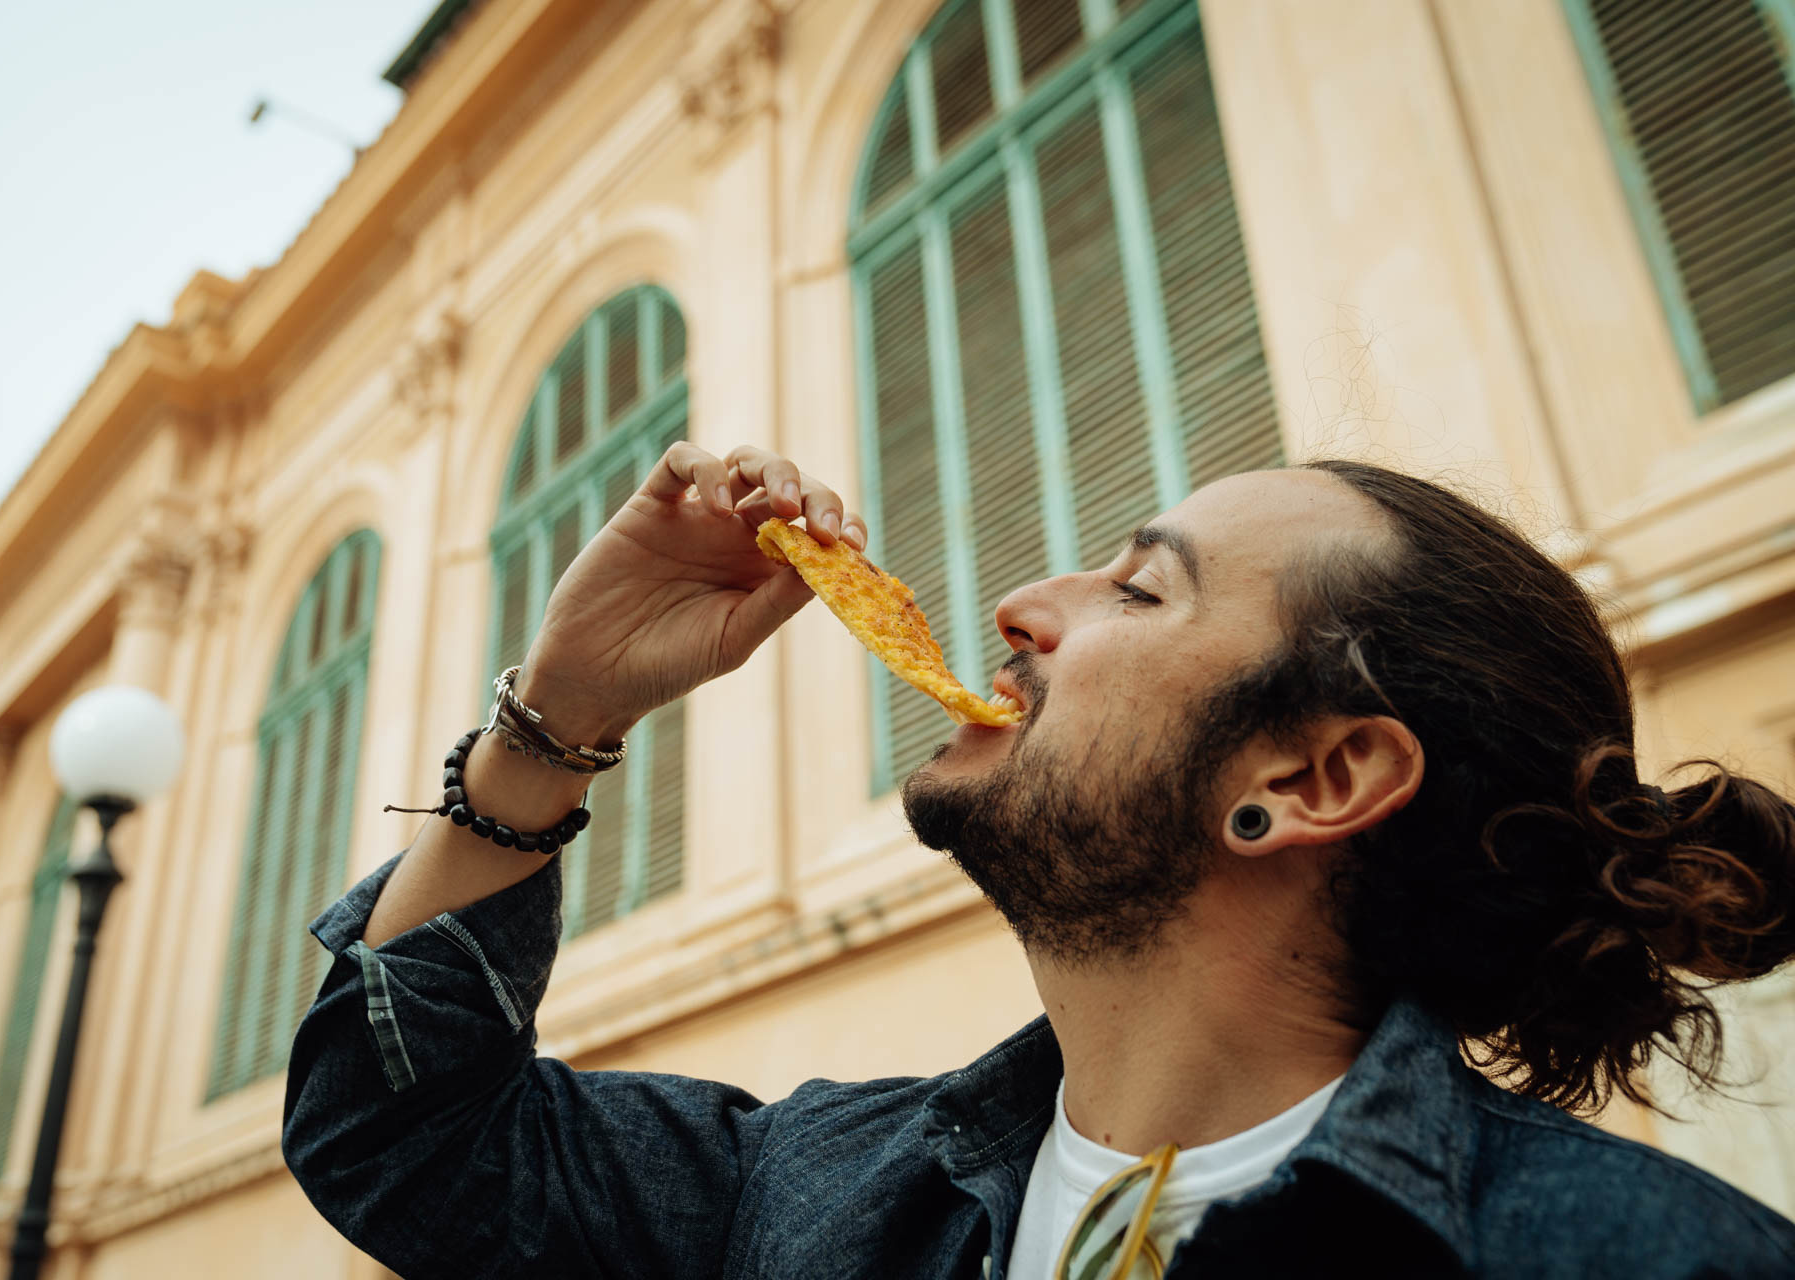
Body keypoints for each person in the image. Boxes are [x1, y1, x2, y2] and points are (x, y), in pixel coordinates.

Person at [283, 444, 1795, 1278]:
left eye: (1140, 589)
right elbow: (401, 1141)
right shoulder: (809, 1194)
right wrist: (564, 711)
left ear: (1316, 775)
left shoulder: (1645, 1260)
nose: (1014, 602)